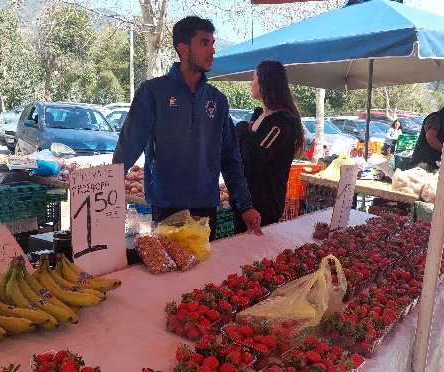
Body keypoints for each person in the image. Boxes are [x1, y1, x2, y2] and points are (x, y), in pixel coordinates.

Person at [112, 16, 262, 239]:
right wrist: (104, 191)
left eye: (212, 43)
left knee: (204, 273)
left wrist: (245, 205)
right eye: (204, 43)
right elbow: (128, 145)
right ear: (182, 48)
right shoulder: (153, 92)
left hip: (206, 212)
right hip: (165, 210)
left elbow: (231, 158)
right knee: (168, 274)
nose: (212, 50)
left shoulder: (218, 100)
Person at [231, 60, 304, 234]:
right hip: (244, 202)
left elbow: (254, 157)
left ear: (266, 81)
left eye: (254, 77)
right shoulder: (260, 116)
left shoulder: (282, 122)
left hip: (263, 207)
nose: (251, 82)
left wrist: (240, 129)